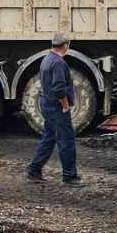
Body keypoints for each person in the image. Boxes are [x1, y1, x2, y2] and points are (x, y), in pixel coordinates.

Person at [26, 32, 84, 186]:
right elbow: (59, 89)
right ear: (65, 45)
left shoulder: (47, 59)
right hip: (56, 107)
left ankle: (34, 170)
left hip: (46, 104)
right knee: (66, 141)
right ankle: (69, 176)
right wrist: (65, 106)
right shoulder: (59, 63)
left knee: (49, 138)